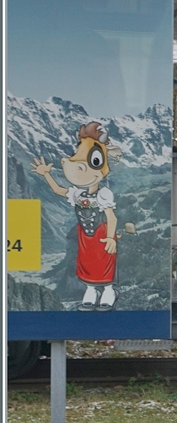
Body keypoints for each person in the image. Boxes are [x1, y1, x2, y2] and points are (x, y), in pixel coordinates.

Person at [31, 121, 124, 311]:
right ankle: (91, 291)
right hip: (85, 236)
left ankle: (108, 291)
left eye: (94, 161)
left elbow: (111, 217)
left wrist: (110, 238)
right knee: (87, 264)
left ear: (103, 168)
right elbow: (58, 190)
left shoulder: (103, 194)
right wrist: (46, 174)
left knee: (104, 264)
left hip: (101, 233)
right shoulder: (76, 193)